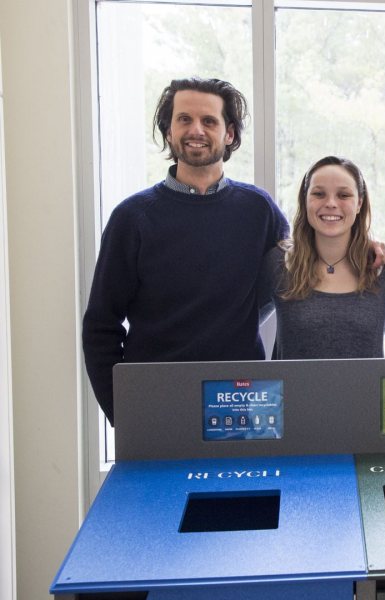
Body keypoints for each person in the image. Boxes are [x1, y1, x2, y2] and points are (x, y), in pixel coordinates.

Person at [82, 77, 289, 425]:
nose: (196, 130)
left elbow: (302, 269)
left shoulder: (259, 209)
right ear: (168, 131)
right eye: (184, 119)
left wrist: (364, 249)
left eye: (209, 121)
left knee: (247, 482)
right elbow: (101, 326)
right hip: (156, 400)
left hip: (243, 400)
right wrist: (123, 411)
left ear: (230, 134)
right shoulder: (132, 218)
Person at [261, 156, 385, 359]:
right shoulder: (278, 263)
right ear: (305, 200)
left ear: (359, 203)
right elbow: (242, 329)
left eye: (344, 195)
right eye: (319, 194)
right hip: (294, 391)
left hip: (366, 391)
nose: (331, 203)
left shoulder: (383, 268)